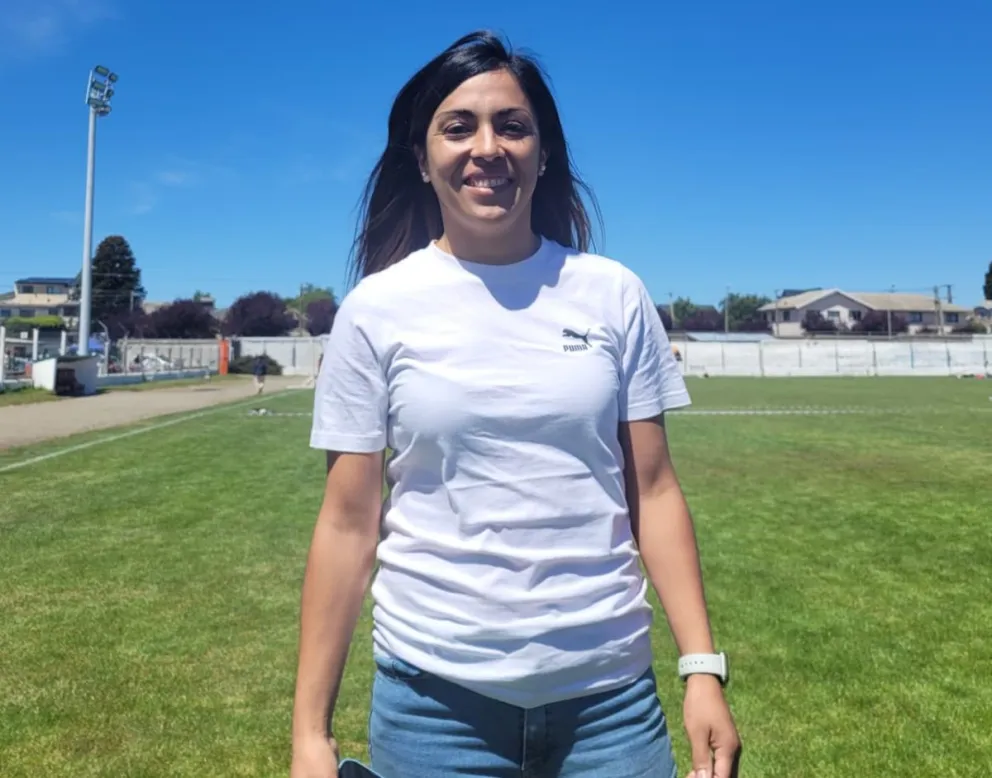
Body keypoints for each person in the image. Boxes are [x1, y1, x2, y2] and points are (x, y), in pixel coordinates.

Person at [292, 31, 740, 778]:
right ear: (421, 155)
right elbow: (346, 524)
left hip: (611, 708)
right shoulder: (376, 309)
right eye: (458, 127)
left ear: (545, 150)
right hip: (434, 708)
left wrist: (701, 668)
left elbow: (654, 491)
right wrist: (311, 732)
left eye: (513, 125)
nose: (487, 148)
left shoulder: (614, 294)